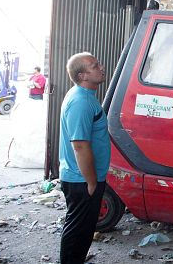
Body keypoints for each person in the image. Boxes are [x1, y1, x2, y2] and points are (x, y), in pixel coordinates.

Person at [59, 52, 110, 264]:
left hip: (85, 178)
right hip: (81, 180)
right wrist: (91, 181)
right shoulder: (80, 102)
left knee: (84, 230)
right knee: (77, 231)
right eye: (94, 65)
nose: (101, 67)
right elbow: (79, 145)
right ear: (83, 75)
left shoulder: (86, 97)